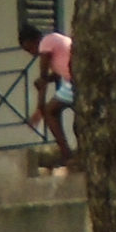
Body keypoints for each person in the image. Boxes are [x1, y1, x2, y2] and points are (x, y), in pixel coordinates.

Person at [20, 22, 76, 168]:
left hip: (74, 82)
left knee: (50, 111)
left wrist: (39, 108)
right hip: (69, 80)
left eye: (30, 48)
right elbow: (56, 74)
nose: (32, 53)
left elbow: (43, 76)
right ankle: (68, 153)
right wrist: (47, 79)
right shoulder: (54, 40)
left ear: (35, 40)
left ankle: (66, 154)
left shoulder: (46, 43)